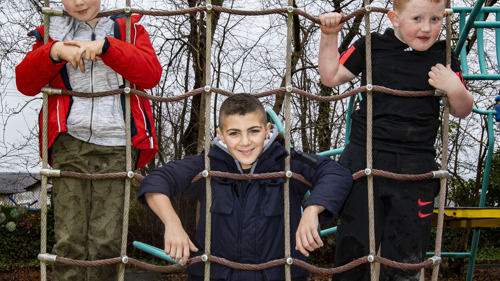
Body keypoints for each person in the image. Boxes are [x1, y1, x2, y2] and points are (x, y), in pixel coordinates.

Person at [317, 0, 474, 280]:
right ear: (394, 18)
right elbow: (330, 77)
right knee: (355, 246)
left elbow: (462, 110)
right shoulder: (372, 45)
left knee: (406, 253)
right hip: (364, 157)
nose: (426, 28)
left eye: (435, 20)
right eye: (417, 18)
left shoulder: (444, 56)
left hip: (416, 165)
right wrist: (329, 36)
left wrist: (454, 88)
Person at [15, 0, 162, 280]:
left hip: (118, 144)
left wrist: (108, 47)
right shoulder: (50, 32)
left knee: (106, 241)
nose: (79, 2)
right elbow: (25, 83)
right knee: (69, 239)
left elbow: (150, 74)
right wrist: (54, 51)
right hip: (70, 141)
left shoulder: (128, 29)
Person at [138, 93, 353, 281]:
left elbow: (336, 173)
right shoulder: (206, 167)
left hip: (280, 275)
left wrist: (312, 209)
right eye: (234, 133)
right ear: (220, 134)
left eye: (253, 131)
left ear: (267, 129)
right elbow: (157, 180)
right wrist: (172, 223)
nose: (245, 142)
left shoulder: (288, 163)